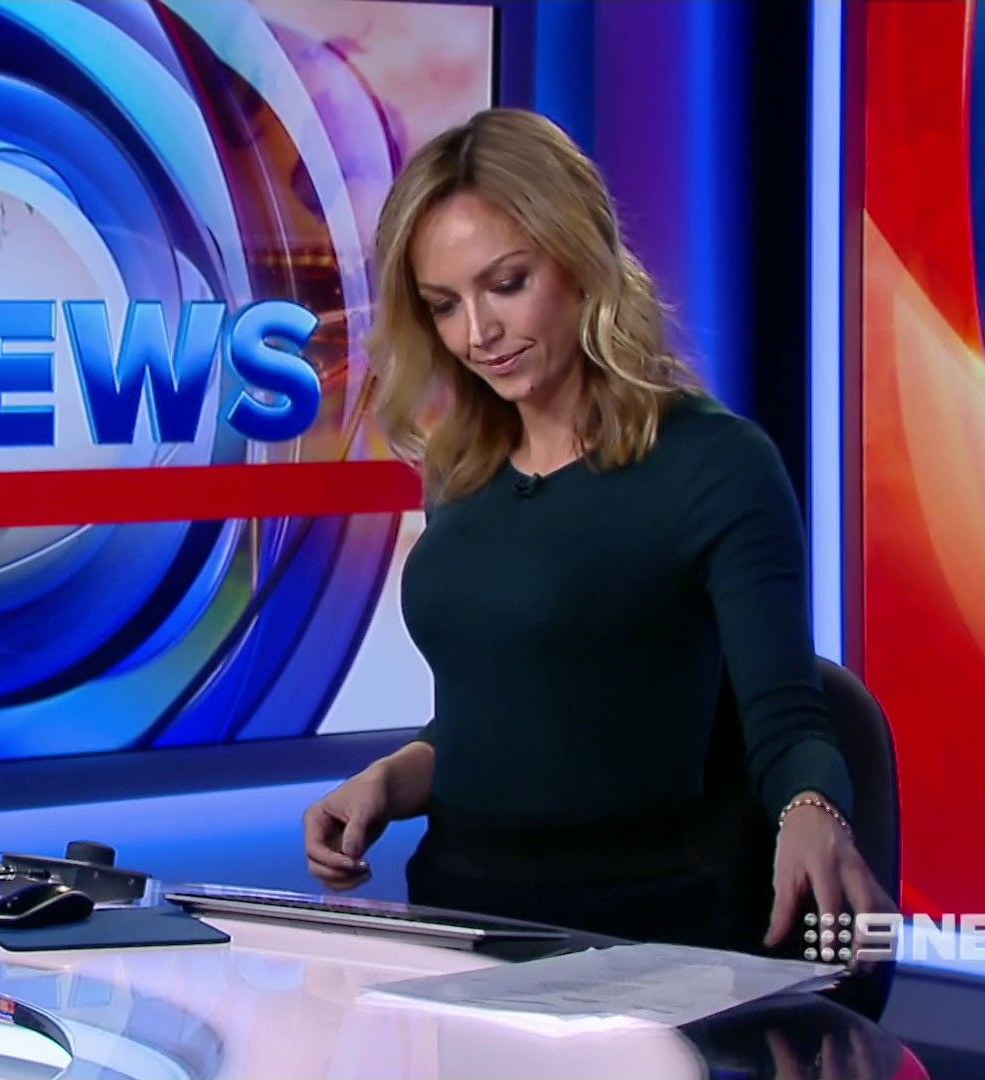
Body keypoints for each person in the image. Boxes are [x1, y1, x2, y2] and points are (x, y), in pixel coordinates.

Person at [303, 108, 893, 955]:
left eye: (507, 284)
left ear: (580, 260)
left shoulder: (715, 464)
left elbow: (790, 720)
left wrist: (811, 808)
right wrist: (388, 782)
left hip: (643, 930)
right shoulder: (461, 469)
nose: (478, 334)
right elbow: (511, 718)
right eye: (444, 306)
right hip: (458, 921)